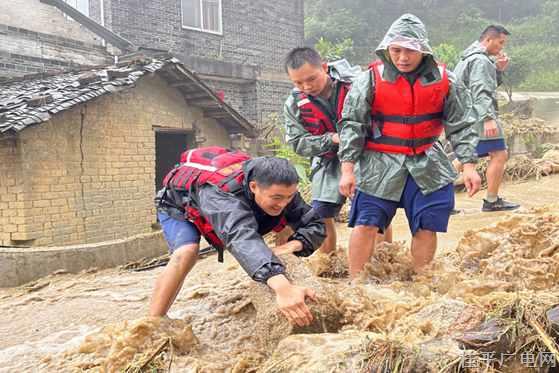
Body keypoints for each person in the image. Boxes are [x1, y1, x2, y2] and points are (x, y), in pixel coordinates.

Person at [337, 14, 481, 278]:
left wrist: (469, 166)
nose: (403, 57)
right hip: (378, 163)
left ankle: (420, 282)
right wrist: (347, 170)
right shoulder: (369, 80)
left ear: (423, 50)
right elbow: (352, 125)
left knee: (427, 225)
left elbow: (462, 124)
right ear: (387, 50)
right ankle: (355, 283)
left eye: (410, 51)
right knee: (366, 222)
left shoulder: (446, 79)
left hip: (427, 161)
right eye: (396, 50)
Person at [150, 147, 326, 327]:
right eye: (277, 197)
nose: (284, 203)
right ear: (253, 186)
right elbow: (241, 237)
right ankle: (154, 321)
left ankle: (279, 274)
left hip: (244, 206)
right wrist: (283, 288)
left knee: (286, 229)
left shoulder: (282, 191)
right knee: (187, 252)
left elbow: (316, 225)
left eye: (289, 197)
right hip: (180, 207)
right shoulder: (221, 195)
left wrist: (293, 245)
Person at [283, 47, 393, 254]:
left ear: (324, 67)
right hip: (327, 161)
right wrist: (332, 138)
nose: (307, 86)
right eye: (298, 82)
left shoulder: (357, 83)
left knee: (374, 211)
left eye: (312, 79)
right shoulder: (294, 104)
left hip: (365, 156)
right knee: (320, 213)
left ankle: (383, 262)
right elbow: (298, 143)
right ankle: (328, 267)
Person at [454, 25, 520, 212]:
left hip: (466, 116)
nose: (502, 47)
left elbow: (484, 84)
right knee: (499, 154)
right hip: (478, 115)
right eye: (501, 42)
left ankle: (438, 198)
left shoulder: (468, 57)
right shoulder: (481, 61)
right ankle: (491, 201)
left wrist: (498, 70)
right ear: (488, 40)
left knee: (465, 156)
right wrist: (488, 118)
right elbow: (480, 90)